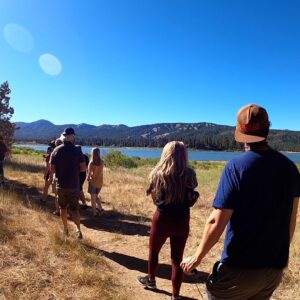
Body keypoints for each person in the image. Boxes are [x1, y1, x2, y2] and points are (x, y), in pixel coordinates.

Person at [181, 104, 300, 300]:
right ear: (267, 129)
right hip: (273, 270)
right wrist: (282, 255)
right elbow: (292, 218)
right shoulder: (290, 168)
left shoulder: (236, 167)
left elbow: (216, 221)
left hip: (239, 268)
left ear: (240, 132)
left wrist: (197, 257)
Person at [137, 141, 199, 300]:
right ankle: (175, 296)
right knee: (177, 259)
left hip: (162, 219)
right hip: (182, 221)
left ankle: (151, 280)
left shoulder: (157, 173)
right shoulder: (190, 174)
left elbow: (152, 196)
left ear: (166, 154)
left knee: (154, 251)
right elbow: (192, 196)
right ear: (184, 155)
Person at [50, 128, 86, 239]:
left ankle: (65, 229)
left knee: (63, 208)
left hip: (61, 185)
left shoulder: (55, 150)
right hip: (74, 185)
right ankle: (78, 230)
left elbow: (52, 169)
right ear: (72, 137)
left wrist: (61, 172)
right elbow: (83, 169)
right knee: (75, 210)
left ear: (63, 137)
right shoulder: (77, 151)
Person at [87, 147, 104, 216]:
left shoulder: (91, 163)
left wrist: (88, 178)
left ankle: (94, 212)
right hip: (100, 182)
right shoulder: (102, 162)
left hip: (93, 182)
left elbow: (89, 173)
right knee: (96, 196)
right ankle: (100, 208)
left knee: (93, 199)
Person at [76, 145, 89, 210]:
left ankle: (84, 204)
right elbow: (87, 167)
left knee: (79, 188)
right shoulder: (85, 156)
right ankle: (78, 202)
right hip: (83, 174)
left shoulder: (78, 156)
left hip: (79, 174)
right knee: (78, 188)